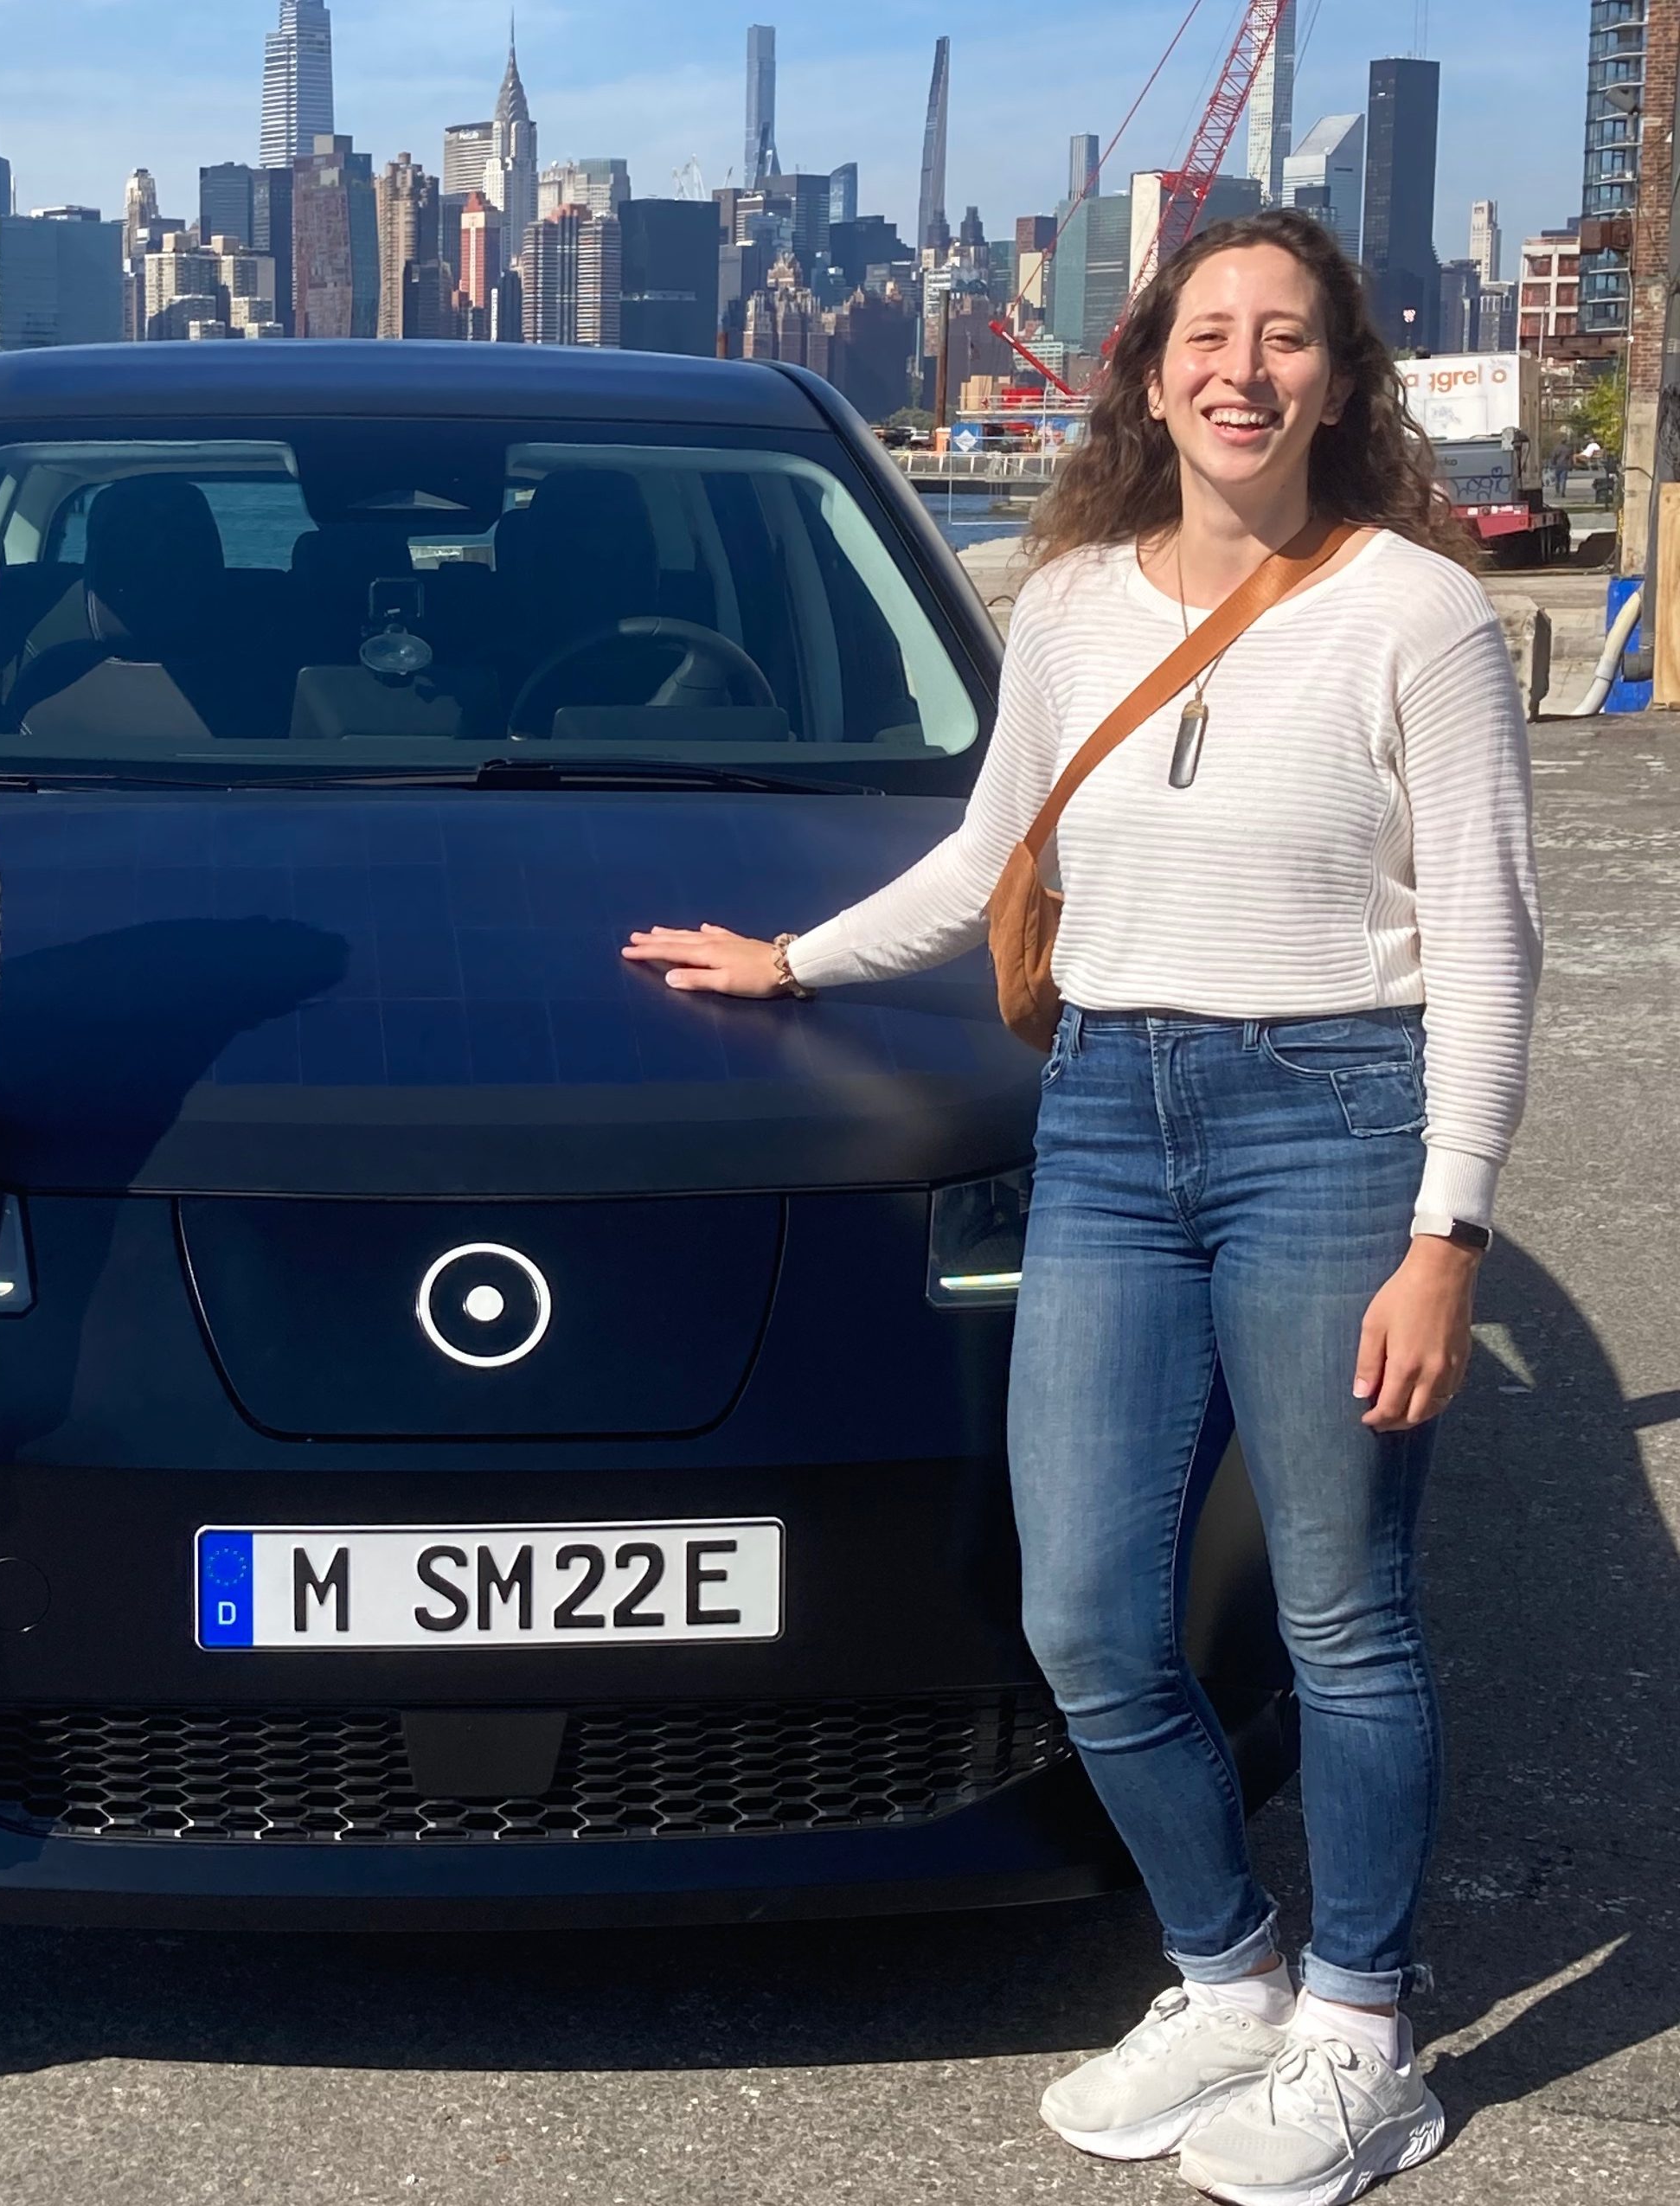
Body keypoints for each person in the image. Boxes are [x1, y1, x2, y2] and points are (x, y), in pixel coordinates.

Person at [625, 208, 1537, 2204]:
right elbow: (987, 861)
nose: (1242, 369)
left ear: (1338, 378)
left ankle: (1368, 2026)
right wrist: (789, 960)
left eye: (1286, 337)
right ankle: (1228, 1972)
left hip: (1338, 1116)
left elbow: (1488, 946)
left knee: (1341, 1615)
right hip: (1110, 1114)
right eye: (1207, 334)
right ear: (1145, 370)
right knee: (1087, 1615)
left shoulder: (1418, 615)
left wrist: (1446, 1234)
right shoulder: (1067, 605)